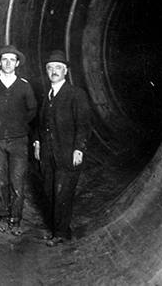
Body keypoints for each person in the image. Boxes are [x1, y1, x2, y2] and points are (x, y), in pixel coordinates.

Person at [33, 50, 92, 246]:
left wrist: (79, 148)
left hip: (67, 154)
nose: (54, 71)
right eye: (50, 68)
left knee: (62, 194)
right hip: (48, 155)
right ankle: (57, 228)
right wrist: (37, 142)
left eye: (58, 67)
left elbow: (83, 124)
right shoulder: (47, 96)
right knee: (50, 192)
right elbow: (40, 124)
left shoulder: (76, 94)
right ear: (46, 72)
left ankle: (61, 233)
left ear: (65, 71)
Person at [0, 45, 37, 235]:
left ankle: (16, 219)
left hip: (18, 140)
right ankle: (3, 216)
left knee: (17, 181)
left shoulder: (24, 86)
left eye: (12, 59)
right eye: (5, 59)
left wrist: (19, 125)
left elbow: (32, 109)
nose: (8, 63)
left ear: (17, 63)